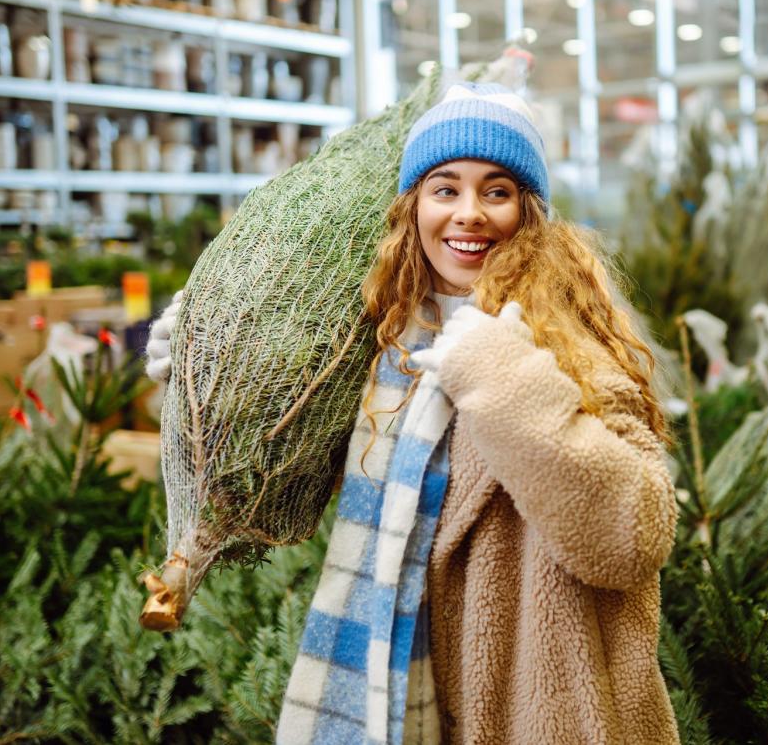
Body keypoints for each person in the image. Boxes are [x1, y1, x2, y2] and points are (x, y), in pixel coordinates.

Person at [148, 81, 679, 745]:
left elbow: (635, 536)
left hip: (539, 707)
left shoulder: (569, 344)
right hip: (405, 696)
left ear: (529, 212)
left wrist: (504, 377)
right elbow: (301, 476)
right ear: (414, 207)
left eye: (497, 191)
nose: (469, 214)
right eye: (445, 188)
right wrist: (205, 364)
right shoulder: (394, 344)